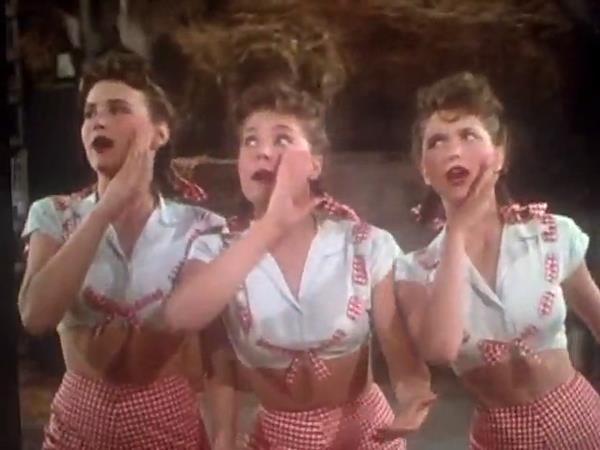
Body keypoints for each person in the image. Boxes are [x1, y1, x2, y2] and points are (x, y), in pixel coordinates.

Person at [165, 78, 436, 449]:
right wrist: (224, 438)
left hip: (365, 433)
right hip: (279, 437)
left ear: (314, 164)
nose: (263, 152)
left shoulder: (363, 244)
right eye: (250, 141)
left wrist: (412, 395)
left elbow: (397, 348)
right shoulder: (216, 250)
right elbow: (189, 325)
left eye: (281, 139)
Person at [18, 50, 223, 449]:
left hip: (168, 427)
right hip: (76, 429)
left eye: (117, 109)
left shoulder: (199, 226)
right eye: (90, 112)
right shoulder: (54, 214)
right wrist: (104, 211)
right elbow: (35, 315)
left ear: (159, 133)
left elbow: (186, 335)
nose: (98, 121)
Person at [395, 71, 600, 449]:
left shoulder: (550, 234)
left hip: (582, 422)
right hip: (499, 438)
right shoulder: (414, 270)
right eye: (437, 141)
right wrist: (456, 232)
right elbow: (440, 349)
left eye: (469, 135)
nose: (453, 151)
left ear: (500, 155)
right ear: (424, 169)